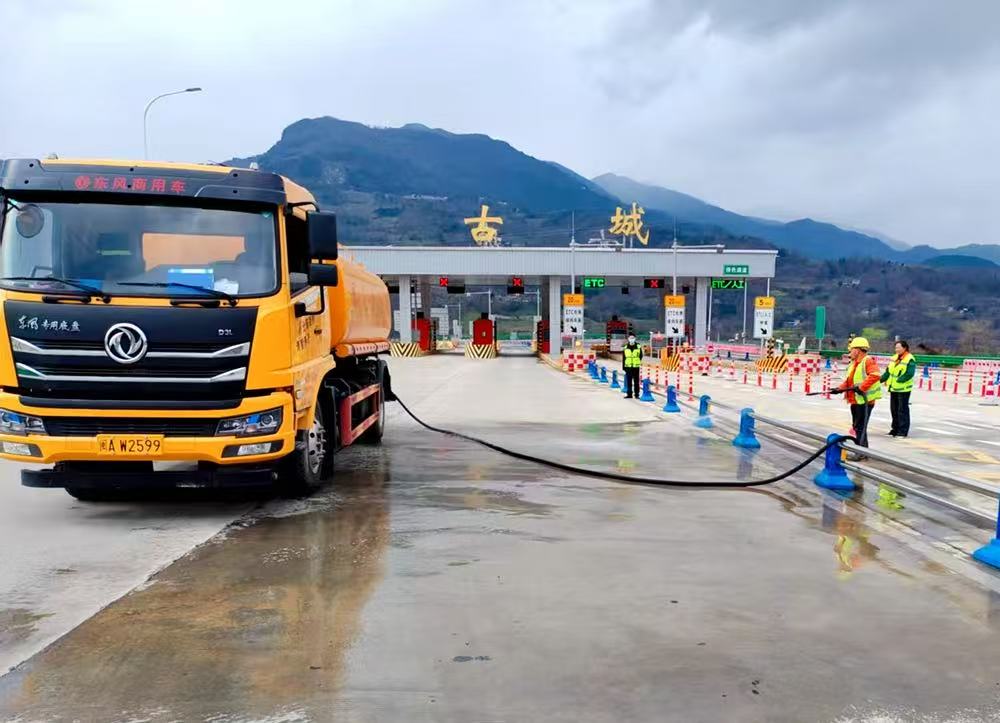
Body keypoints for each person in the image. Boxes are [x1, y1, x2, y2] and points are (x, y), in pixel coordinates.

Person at [835, 336, 882, 447]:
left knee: (860, 427)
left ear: (857, 350)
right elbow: (849, 381)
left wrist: (862, 387)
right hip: (856, 400)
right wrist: (839, 389)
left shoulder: (867, 361)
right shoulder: (854, 363)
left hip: (865, 402)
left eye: (851, 350)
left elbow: (875, 375)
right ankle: (860, 449)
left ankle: (862, 451)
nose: (850, 352)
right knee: (857, 427)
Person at [881, 339, 915, 437]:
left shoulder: (909, 359)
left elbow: (909, 373)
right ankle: (895, 429)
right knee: (894, 410)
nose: (896, 350)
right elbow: (888, 372)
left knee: (902, 410)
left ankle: (903, 431)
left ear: (905, 348)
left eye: (898, 348)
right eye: (895, 348)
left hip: (903, 389)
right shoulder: (894, 358)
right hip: (893, 388)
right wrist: (880, 380)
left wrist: (900, 380)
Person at [622, 334, 643, 399]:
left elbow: (641, 356)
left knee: (636, 382)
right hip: (628, 367)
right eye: (630, 338)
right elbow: (624, 358)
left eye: (633, 338)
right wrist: (623, 367)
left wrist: (636, 361)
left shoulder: (638, 346)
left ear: (635, 338)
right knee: (629, 381)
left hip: (636, 367)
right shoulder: (625, 347)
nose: (631, 339)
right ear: (628, 339)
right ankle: (629, 394)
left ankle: (637, 394)